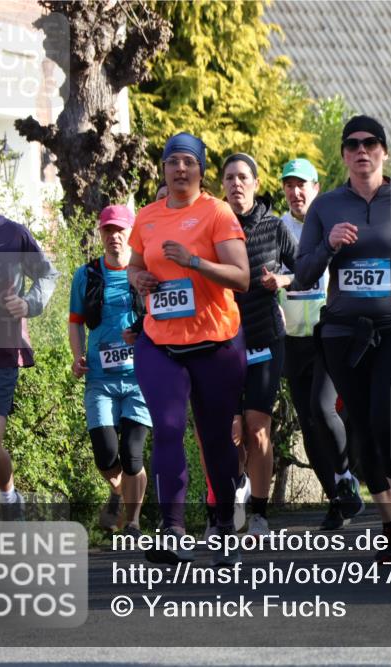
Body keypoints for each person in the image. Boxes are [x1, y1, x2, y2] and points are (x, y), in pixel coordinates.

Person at [296, 115, 391, 562]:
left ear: (384, 151)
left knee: (390, 417)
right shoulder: (325, 207)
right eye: (352, 144)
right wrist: (330, 246)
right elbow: (302, 274)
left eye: (371, 143)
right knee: (362, 429)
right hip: (343, 331)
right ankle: (390, 522)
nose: (362, 151)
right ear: (343, 155)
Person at [128, 132, 250, 566]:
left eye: (188, 162)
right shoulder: (146, 217)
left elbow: (241, 277)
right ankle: (172, 528)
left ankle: (220, 522)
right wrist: (138, 280)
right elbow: (136, 265)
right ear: (162, 169)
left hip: (216, 342)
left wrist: (194, 262)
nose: (180, 169)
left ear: (201, 170)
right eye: (172, 162)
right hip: (160, 341)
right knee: (166, 426)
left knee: (216, 438)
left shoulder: (216, 213)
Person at [0, 158, 58, 516]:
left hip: (1, 353)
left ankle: (9, 495)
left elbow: (48, 274)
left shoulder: (11, 233)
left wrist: (28, 302)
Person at [277, 158, 363, 531]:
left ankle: (350, 478)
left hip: (329, 334)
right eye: (289, 185)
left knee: (332, 414)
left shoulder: (333, 221)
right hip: (293, 337)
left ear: (316, 187)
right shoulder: (279, 227)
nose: (295, 192)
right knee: (309, 422)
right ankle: (337, 497)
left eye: (302, 185)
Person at [221, 152, 298, 536]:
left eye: (243, 177)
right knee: (232, 429)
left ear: (255, 183)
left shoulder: (273, 227)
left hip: (265, 335)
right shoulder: (213, 224)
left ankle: (259, 513)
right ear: (222, 185)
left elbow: (303, 269)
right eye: (230, 177)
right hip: (223, 339)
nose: (236, 184)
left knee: (256, 426)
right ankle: (236, 496)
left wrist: (281, 281)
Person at [68, 205, 150, 537]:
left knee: (132, 456)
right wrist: (77, 356)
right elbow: (75, 323)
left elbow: (163, 318)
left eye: (120, 230)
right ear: (100, 234)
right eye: (108, 231)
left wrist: (142, 332)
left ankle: (132, 521)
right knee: (106, 455)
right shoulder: (86, 275)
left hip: (139, 378)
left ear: (132, 233)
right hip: (100, 380)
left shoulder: (145, 273)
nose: (114, 237)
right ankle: (116, 491)